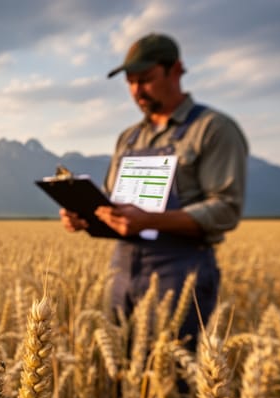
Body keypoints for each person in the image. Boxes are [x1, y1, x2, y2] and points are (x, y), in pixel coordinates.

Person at [60, 33, 248, 350]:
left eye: (146, 80)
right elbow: (111, 202)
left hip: (180, 274)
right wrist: (85, 216)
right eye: (131, 82)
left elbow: (226, 208)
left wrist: (151, 220)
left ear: (175, 70)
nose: (137, 91)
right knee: (121, 371)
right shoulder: (129, 138)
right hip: (122, 270)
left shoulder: (213, 128)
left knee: (174, 379)